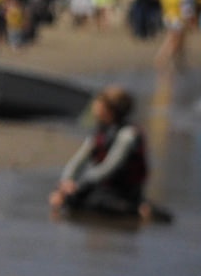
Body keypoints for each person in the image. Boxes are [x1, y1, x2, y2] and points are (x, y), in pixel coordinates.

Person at [51, 86, 160, 221]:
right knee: (69, 196)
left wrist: (79, 187)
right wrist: (66, 182)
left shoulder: (128, 135)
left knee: (84, 200)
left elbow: (108, 168)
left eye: (98, 104)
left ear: (110, 109)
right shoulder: (101, 132)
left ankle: (138, 209)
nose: (94, 108)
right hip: (102, 187)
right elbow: (78, 161)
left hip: (123, 191)